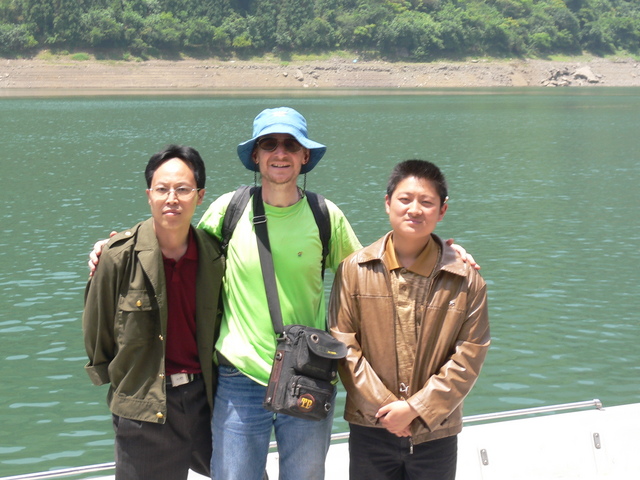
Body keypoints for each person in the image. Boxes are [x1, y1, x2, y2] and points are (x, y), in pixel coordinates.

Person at [88, 109, 479, 479]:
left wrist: (443, 251)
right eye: (270, 144)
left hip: (307, 373)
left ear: (304, 155)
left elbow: (374, 273)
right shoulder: (230, 209)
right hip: (239, 377)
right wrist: (116, 247)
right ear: (255, 155)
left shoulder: (326, 216)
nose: (280, 153)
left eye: (290, 145)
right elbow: (175, 240)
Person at [329, 159, 490, 480]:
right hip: (371, 425)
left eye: (427, 202)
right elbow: (343, 345)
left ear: (442, 210)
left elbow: (471, 353)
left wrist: (417, 408)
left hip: (436, 431)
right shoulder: (355, 270)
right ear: (387, 203)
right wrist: (388, 410)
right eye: (405, 199)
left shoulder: (465, 279)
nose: (415, 209)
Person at [82, 145, 224, 480]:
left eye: (183, 189)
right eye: (162, 189)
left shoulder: (215, 255)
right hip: (144, 406)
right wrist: (119, 383)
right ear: (149, 195)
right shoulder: (118, 257)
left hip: (209, 401)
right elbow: (96, 329)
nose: (171, 198)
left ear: (200, 196)